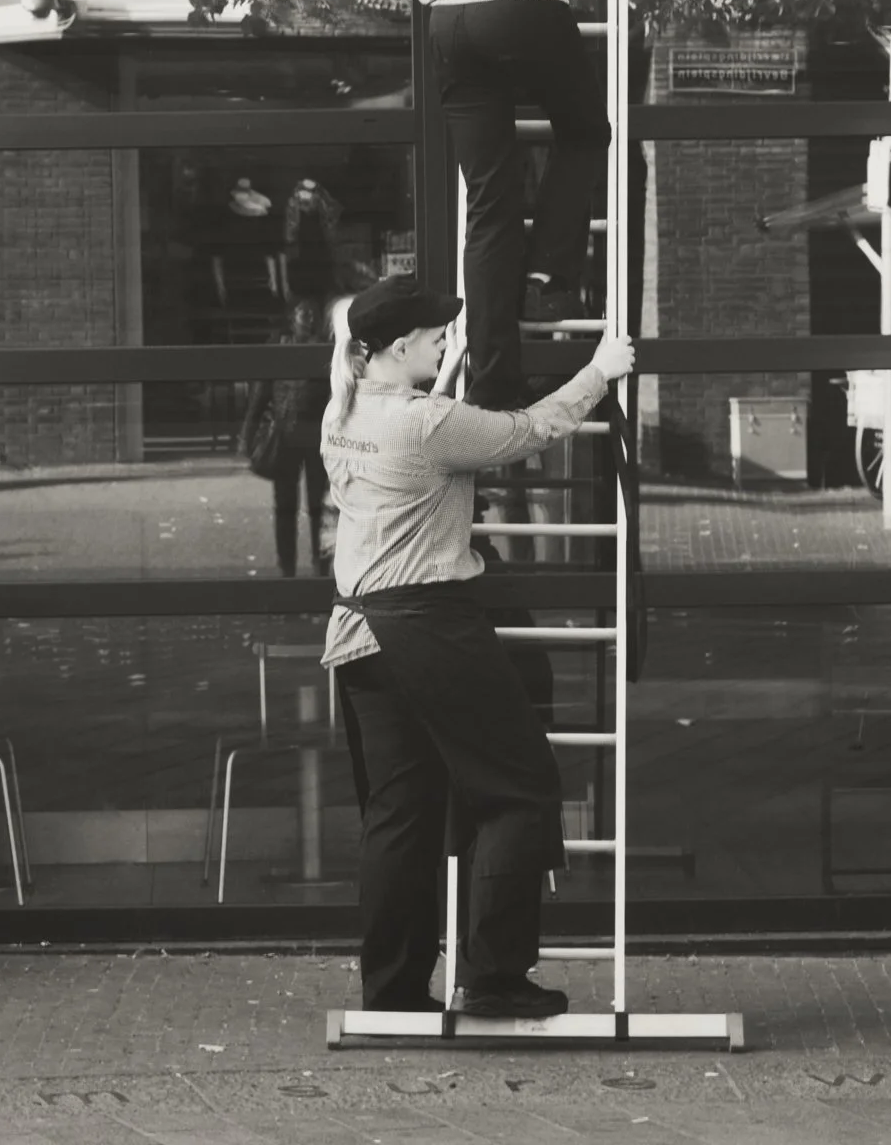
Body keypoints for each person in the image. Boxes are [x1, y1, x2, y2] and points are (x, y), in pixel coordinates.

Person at [320, 272, 634, 1018]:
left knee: (401, 816)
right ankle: (492, 977)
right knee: (520, 792)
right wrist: (600, 370)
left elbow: (429, 429)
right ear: (398, 348)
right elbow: (529, 432)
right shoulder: (425, 423)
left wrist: (445, 381)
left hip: (359, 632)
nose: (445, 344)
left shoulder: (346, 408)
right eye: (434, 339)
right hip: (428, 624)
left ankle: (392, 990)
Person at [400, 0, 639, 409]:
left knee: (489, 202)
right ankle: (550, 262)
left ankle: (494, 384)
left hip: (450, 18)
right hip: (522, 2)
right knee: (587, 131)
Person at [238, 296, 331, 577]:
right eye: (304, 313)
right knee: (285, 507)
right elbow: (260, 394)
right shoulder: (279, 347)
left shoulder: (327, 349)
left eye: (313, 313)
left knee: (318, 506)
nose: (310, 319)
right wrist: (248, 432)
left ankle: (320, 565)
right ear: (292, 317)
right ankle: (287, 569)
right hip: (285, 437)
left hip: (316, 436)